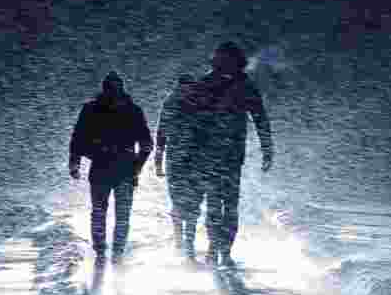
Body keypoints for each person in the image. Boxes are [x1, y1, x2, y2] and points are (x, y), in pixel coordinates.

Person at [188, 41, 273, 268]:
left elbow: (260, 117)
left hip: (224, 157)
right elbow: (260, 118)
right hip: (220, 156)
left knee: (221, 205)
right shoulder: (231, 85)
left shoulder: (212, 84)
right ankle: (218, 250)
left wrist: (267, 148)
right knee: (222, 205)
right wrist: (267, 148)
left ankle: (219, 250)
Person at [69, 71, 153, 264]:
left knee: (101, 211)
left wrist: (75, 162)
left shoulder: (92, 109)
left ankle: (103, 251)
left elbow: (78, 139)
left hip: (104, 166)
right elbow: (147, 144)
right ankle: (114, 252)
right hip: (122, 167)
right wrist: (137, 165)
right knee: (118, 213)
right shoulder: (132, 110)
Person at [154, 74, 203, 260]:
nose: (187, 91)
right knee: (183, 200)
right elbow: (161, 134)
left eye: (190, 88)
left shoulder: (195, 103)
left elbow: (161, 133)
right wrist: (158, 161)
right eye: (185, 88)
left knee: (191, 201)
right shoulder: (174, 102)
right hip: (180, 159)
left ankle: (185, 241)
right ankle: (181, 240)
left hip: (190, 159)